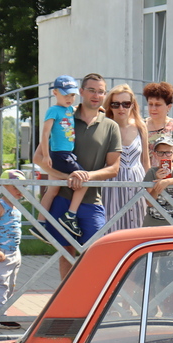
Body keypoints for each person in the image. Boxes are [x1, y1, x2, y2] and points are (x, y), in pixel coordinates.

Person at [32, 73, 122, 278]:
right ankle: (67, 307)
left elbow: (113, 168)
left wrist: (85, 178)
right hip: (63, 198)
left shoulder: (110, 126)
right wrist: (64, 178)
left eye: (100, 91)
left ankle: (92, 305)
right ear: (80, 92)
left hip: (91, 200)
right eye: (91, 90)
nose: (96, 95)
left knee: (96, 253)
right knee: (67, 254)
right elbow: (38, 158)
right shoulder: (63, 116)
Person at [38, 75, 88, 236]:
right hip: (60, 154)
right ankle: (70, 215)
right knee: (84, 181)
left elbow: (79, 109)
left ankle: (40, 222)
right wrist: (46, 156)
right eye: (66, 94)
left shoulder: (69, 109)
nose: (69, 98)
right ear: (55, 93)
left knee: (52, 189)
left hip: (67, 153)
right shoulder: (53, 110)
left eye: (72, 95)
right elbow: (45, 134)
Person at [102, 84, 149, 233]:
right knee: (112, 228)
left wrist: (151, 189)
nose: (121, 108)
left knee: (138, 228)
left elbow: (145, 161)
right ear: (110, 106)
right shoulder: (104, 127)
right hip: (112, 185)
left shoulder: (141, 127)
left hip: (138, 183)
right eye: (116, 104)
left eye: (126, 104)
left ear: (132, 105)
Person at [0, 169, 26, 330]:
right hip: (1, 251)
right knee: (1, 282)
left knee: (11, 284)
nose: (19, 190)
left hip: (14, 251)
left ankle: (3, 310)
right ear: (4, 187)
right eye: (14, 187)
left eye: (22, 186)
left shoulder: (17, 206)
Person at [141, 135, 173, 227]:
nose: (164, 156)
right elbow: (149, 202)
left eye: (168, 153)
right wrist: (159, 183)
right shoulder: (152, 172)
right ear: (154, 155)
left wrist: (168, 181)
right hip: (152, 223)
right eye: (160, 153)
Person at [144, 82, 173, 165]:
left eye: (158, 105)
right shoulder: (141, 126)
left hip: (167, 176)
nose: (153, 108)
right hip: (143, 176)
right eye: (150, 104)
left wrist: (160, 169)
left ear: (169, 106)